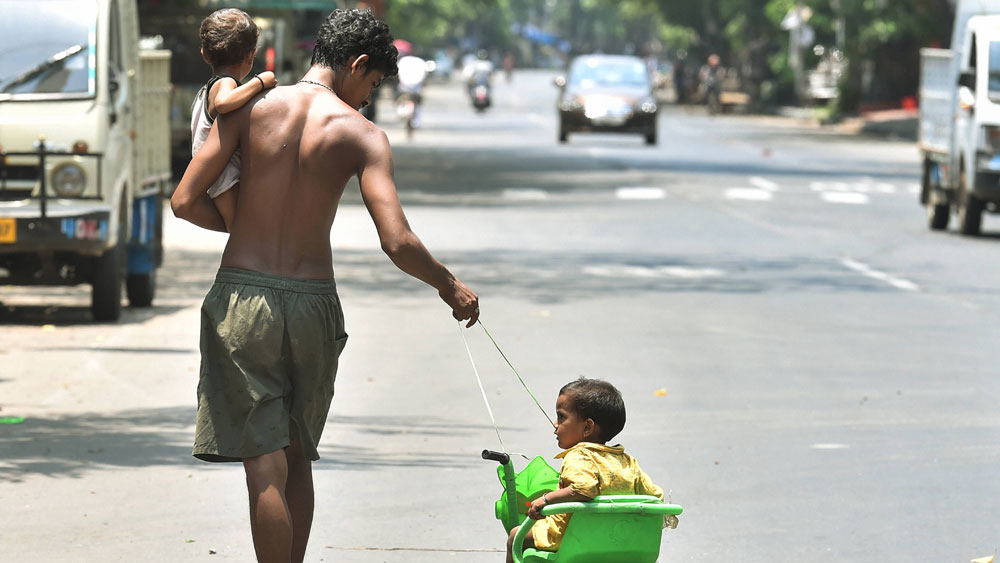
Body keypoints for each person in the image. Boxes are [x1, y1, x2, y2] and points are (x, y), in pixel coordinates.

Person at [170, 9, 479, 563]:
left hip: (243, 298)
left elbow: (185, 200)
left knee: (263, 462)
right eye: (374, 82)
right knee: (297, 456)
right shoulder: (362, 135)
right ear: (357, 64)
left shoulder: (249, 108)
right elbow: (398, 240)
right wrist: (449, 286)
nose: (368, 96)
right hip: (313, 305)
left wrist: (245, 229)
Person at [505, 378, 675, 563]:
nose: (555, 424)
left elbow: (583, 489)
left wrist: (544, 500)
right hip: (622, 540)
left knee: (515, 536)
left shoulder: (579, 456)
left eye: (561, 417)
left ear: (587, 427)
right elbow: (655, 497)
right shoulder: (627, 462)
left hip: (573, 539)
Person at [191, 8, 277, 232]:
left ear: (204, 54)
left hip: (215, 175)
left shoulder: (207, 87)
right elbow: (223, 102)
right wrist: (260, 82)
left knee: (241, 231)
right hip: (224, 176)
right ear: (251, 55)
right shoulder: (224, 83)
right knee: (242, 233)